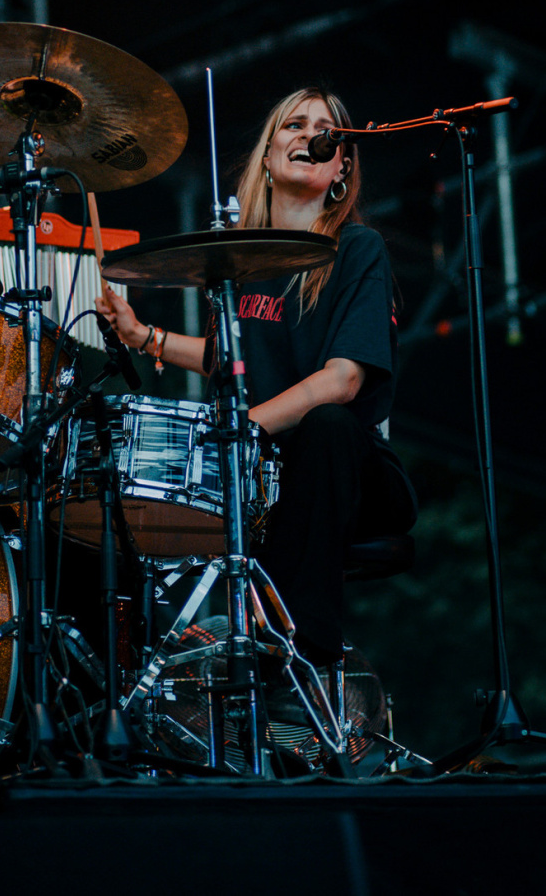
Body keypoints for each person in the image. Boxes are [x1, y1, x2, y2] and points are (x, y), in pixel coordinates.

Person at [96, 87, 417, 675]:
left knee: (327, 425)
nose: (310, 134)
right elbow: (231, 360)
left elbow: (343, 379)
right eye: (294, 124)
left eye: (325, 130)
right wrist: (143, 337)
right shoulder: (243, 259)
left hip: (351, 474)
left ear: (341, 167)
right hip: (263, 475)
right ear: (267, 156)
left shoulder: (356, 248)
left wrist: (243, 428)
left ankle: (302, 662)